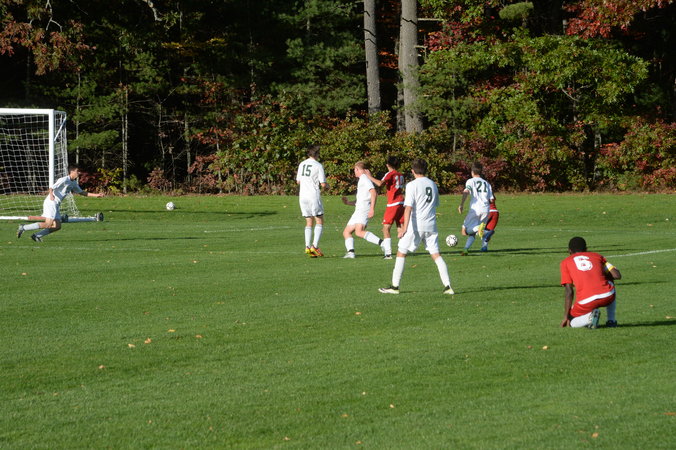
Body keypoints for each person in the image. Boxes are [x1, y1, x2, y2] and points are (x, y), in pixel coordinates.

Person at [379, 158, 453, 295]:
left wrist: (404, 229)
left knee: (401, 252)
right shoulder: (433, 184)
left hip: (416, 225)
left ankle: (395, 287)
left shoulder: (412, 185)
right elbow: (435, 204)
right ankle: (448, 286)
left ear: (412, 171)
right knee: (436, 255)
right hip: (431, 225)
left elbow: (408, 208)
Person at [16, 164, 104, 242]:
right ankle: (23, 227)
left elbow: (82, 193)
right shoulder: (64, 179)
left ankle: (36, 236)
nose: (79, 173)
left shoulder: (73, 183)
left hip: (56, 204)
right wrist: (51, 195)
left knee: (57, 226)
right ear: (72, 171)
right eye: (77, 171)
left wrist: (96, 195)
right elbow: (51, 188)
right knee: (48, 224)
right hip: (51, 203)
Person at [559, 237, 621, 328]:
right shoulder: (597, 256)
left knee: (571, 320)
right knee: (609, 280)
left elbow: (569, 291)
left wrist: (566, 316)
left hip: (586, 301)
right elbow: (616, 275)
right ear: (586, 249)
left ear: (569, 251)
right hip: (607, 296)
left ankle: (590, 318)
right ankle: (611, 320)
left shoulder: (565, 262)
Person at [341, 161, 386, 258]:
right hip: (358, 210)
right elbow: (361, 200)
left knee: (359, 232)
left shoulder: (364, 178)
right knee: (346, 232)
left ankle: (383, 243)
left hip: (364, 209)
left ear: (357, 169)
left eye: (355, 169)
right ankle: (351, 253)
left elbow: (373, 192)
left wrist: (372, 209)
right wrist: (348, 203)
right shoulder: (362, 179)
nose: (354, 171)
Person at [363, 155, 405, 259]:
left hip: (393, 204)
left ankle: (388, 253)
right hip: (401, 203)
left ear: (387, 165)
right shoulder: (400, 175)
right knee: (400, 228)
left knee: (386, 228)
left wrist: (369, 176)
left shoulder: (390, 174)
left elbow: (379, 183)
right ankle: (403, 251)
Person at [296, 145, 327, 257]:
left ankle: (307, 246)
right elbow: (323, 184)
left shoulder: (302, 164)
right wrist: (327, 186)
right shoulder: (318, 165)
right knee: (319, 220)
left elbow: (298, 181)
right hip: (313, 196)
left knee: (309, 222)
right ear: (317, 154)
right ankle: (315, 246)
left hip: (302, 197)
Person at [457, 162, 494, 255]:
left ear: (472, 172)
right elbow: (491, 199)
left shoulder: (471, 181)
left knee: (465, 231)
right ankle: (468, 249)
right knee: (474, 232)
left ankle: (484, 231)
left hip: (476, 209)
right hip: (486, 209)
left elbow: (466, 191)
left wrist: (461, 204)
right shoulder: (487, 183)